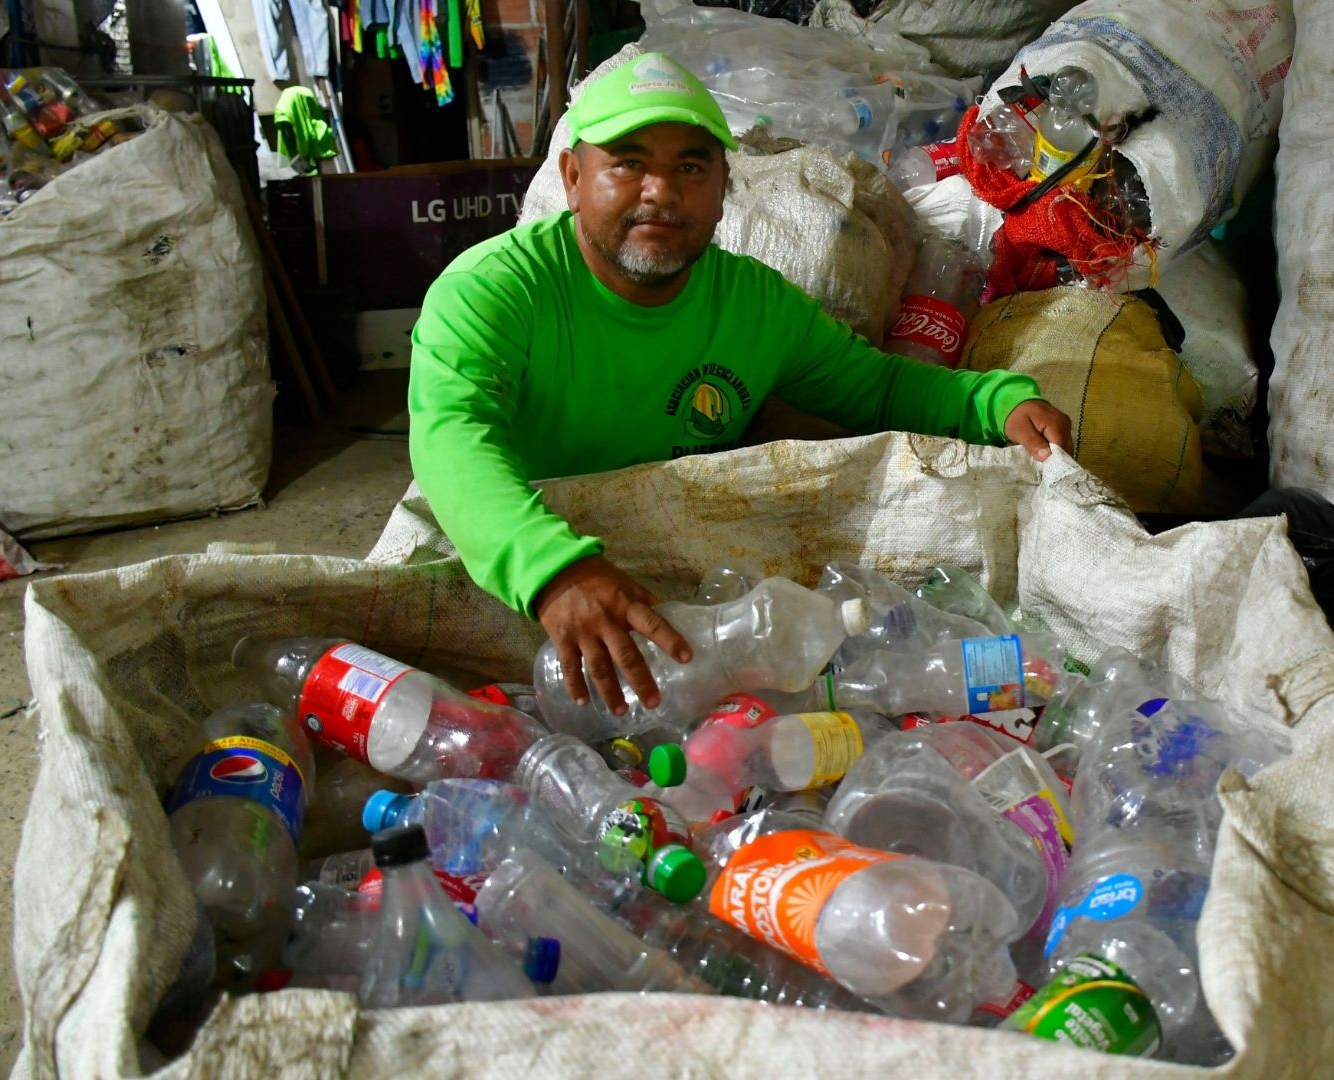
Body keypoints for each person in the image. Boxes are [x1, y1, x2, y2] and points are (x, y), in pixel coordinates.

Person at [409, 51, 1074, 718]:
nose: (661, 192)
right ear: (574, 177)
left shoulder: (753, 306)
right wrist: (554, 573)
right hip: (526, 565)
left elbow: (875, 388)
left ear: (724, 187)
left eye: (691, 168)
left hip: (682, 585)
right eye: (628, 163)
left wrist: (995, 401)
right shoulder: (494, 291)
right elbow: (451, 443)